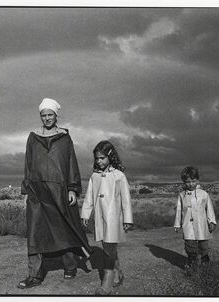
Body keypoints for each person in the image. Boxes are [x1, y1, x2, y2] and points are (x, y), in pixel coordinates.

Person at [18, 98, 92, 289]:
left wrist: (73, 188)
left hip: (59, 191)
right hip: (37, 192)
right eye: (44, 115)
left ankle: (70, 266)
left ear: (56, 115)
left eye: (50, 115)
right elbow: (28, 163)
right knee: (35, 232)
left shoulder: (65, 138)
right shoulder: (32, 137)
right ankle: (34, 275)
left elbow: (71, 163)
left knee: (63, 228)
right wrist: (26, 189)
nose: (47, 118)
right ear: (40, 116)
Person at [81, 140, 133, 295]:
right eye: (97, 158)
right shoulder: (94, 177)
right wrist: (85, 213)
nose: (99, 161)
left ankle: (107, 279)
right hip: (100, 217)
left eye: (102, 158)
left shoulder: (119, 176)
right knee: (107, 246)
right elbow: (89, 196)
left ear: (110, 157)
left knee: (109, 249)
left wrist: (127, 219)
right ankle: (118, 272)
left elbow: (126, 198)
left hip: (114, 217)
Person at [174, 166, 217, 270]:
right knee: (190, 244)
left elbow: (209, 209)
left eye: (193, 181)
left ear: (197, 180)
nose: (191, 184)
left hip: (202, 224)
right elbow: (179, 210)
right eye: (188, 182)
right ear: (184, 182)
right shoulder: (182, 195)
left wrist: (212, 221)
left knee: (203, 244)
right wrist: (177, 224)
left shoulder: (203, 194)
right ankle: (192, 264)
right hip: (187, 224)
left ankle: (205, 263)